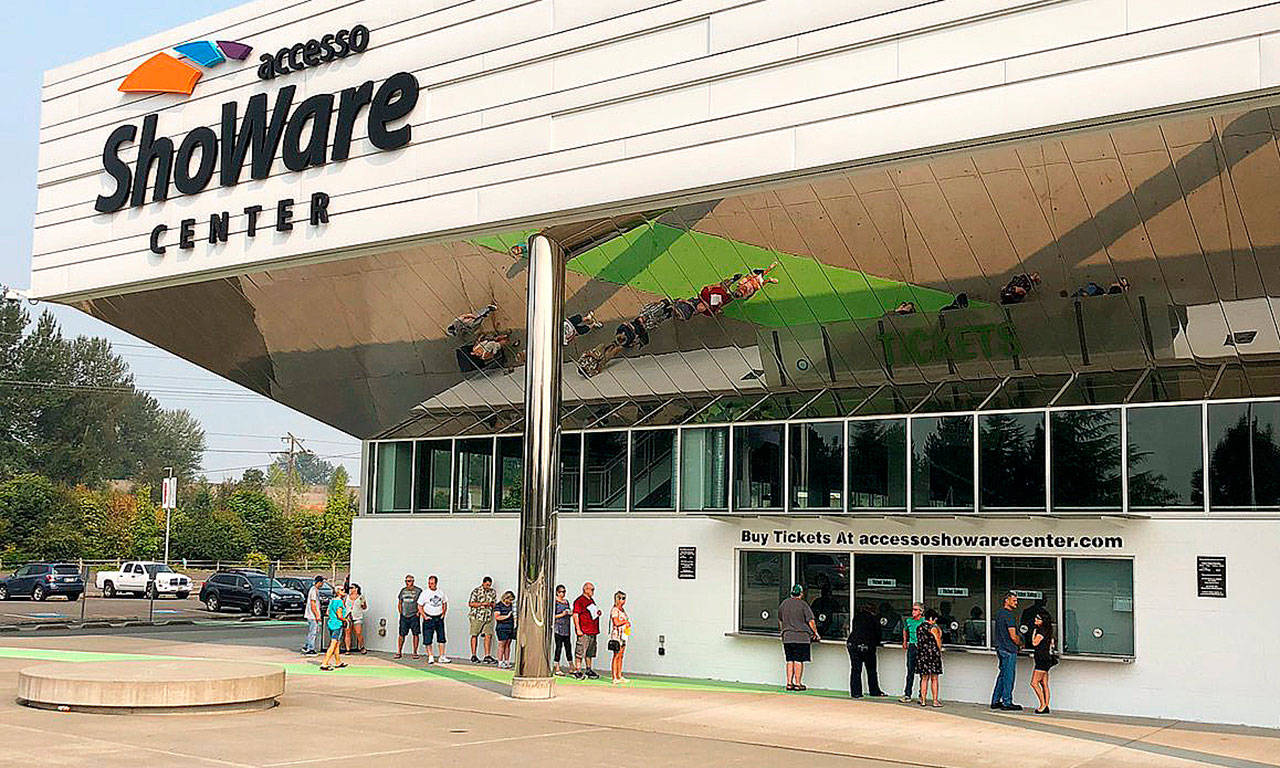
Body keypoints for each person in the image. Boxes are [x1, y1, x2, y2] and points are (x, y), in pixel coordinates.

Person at [778, 584, 819, 692]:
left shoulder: (784, 603)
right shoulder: (803, 605)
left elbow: (780, 620)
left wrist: (783, 631)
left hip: (787, 637)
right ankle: (797, 683)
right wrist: (815, 633)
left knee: (789, 660)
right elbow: (811, 621)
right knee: (798, 660)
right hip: (801, 637)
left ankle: (789, 683)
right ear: (801, 593)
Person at [991, 592, 1024, 710]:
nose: (1016, 603)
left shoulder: (999, 614)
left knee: (1002, 675)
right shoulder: (1009, 616)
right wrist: (1021, 643)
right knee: (1009, 677)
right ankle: (1007, 702)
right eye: (1014, 601)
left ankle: (995, 700)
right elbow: (1013, 636)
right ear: (1007, 600)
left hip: (1000, 648)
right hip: (1009, 649)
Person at [847, 603, 884, 698]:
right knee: (871, 669)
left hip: (852, 643)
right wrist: (878, 642)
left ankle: (856, 692)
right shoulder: (873, 619)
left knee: (855, 669)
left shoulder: (857, 617)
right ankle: (874, 691)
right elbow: (877, 633)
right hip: (867, 645)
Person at [417, 575, 450, 664]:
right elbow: (419, 606)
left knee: (441, 638)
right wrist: (424, 616)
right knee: (428, 638)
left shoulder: (441, 592)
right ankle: (430, 656)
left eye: (432, 583)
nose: (430, 585)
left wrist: (443, 614)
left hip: (439, 618)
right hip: (429, 618)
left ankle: (442, 656)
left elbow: (445, 603)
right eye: (429, 583)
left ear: (436, 583)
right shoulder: (425, 593)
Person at [572, 582, 601, 679]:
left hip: (592, 630)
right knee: (580, 651)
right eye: (592, 589)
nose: (593, 591)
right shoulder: (579, 601)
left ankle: (588, 669)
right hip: (584, 630)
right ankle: (578, 670)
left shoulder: (591, 600)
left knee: (590, 652)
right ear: (586, 589)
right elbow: (575, 615)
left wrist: (597, 613)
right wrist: (578, 629)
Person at [916, 609, 944, 707]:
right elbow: (938, 639)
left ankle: (923, 700)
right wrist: (939, 651)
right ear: (931, 618)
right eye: (935, 620)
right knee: (934, 678)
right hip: (933, 655)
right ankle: (935, 701)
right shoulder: (932, 628)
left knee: (924, 679)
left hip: (922, 655)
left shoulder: (919, 627)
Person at [468, 576, 498, 664]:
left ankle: (487, 655)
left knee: (488, 635)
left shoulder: (492, 592)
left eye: (490, 585)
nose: (488, 587)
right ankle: (473, 655)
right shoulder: (476, 591)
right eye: (487, 585)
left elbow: (494, 603)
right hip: (477, 616)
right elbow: (471, 603)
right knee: (474, 634)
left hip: (488, 616)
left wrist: (491, 604)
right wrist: (482, 604)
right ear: (483, 583)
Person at [1030, 612, 1056, 714]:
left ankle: (1042, 705)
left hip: (1041, 659)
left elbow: (1034, 642)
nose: (1035, 620)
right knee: (1044, 683)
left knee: (1034, 683)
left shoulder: (1041, 630)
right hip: (1046, 658)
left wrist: (1033, 633)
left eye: (1038, 618)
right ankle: (1046, 705)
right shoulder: (1049, 630)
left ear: (1043, 621)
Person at [900, 602, 925, 703]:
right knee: (910, 671)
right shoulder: (909, 621)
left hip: (922, 646)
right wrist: (905, 641)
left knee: (922, 672)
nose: (913, 612)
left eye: (915, 610)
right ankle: (907, 694)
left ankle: (921, 695)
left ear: (921, 611)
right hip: (912, 646)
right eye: (913, 609)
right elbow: (905, 630)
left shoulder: (924, 621)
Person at [320, 584, 348, 671]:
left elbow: (327, 612)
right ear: (338, 592)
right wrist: (345, 620)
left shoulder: (332, 601)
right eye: (342, 590)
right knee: (333, 644)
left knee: (336, 644)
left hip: (331, 623)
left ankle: (338, 661)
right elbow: (339, 615)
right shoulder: (340, 602)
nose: (344, 591)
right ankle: (325, 663)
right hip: (337, 625)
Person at [394, 574, 422, 660]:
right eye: (406, 581)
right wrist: (401, 612)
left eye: (409, 581)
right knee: (401, 634)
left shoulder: (418, 591)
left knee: (415, 634)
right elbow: (400, 602)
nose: (407, 583)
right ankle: (399, 651)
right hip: (404, 616)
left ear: (413, 581)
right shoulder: (403, 590)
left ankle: (415, 652)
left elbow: (422, 602)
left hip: (414, 615)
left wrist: (419, 613)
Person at [608, 591, 631, 684]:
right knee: (616, 655)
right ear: (617, 599)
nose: (624, 601)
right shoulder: (615, 610)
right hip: (617, 635)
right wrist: (625, 622)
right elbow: (616, 622)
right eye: (622, 598)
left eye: (624, 598)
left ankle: (619, 675)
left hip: (623, 634)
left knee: (621, 655)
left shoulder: (622, 610)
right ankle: (614, 677)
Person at [301, 575, 325, 656]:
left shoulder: (315, 590)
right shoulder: (313, 590)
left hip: (312, 615)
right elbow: (313, 604)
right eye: (322, 582)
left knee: (312, 631)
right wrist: (317, 615)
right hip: (312, 615)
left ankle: (307, 646)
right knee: (313, 632)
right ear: (319, 582)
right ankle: (310, 649)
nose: (322, 584)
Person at [553, 584, 573, 676]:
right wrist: (562, 614)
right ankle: (556, 666)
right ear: (557, 592)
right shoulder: (555, 602)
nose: (563, 594)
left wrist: (570, 613)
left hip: (566, 627)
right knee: (559, 647)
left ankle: (571, 666)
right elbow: (552, 616)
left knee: (568, 647)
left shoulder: (566, 601)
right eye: (561, 592)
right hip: (558, 628)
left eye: (564, 592)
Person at [493, 591, 516, 669]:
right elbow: (497, 617)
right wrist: (507, 616)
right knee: (501, 644)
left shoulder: (512, 606)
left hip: (510, 627)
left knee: (508, 644)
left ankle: (507, 661)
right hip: (502, 627)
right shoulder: (498, 605)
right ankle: (500, 662)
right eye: (509, 600)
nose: (510, 601)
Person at [345, 583, 368, 654]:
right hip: (348, 616)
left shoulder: (360, 597)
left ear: (356, 589)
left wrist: (363, 604)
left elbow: (365, 607)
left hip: (357, 616)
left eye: (352, 588)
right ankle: (348, 649)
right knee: (347, 632)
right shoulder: (347, 597)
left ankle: (361, 646)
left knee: (358, 632)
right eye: (350, 588)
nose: (350, 589)